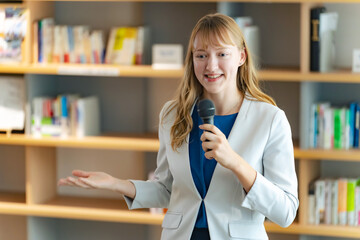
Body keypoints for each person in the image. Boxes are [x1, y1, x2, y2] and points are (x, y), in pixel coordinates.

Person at [58, 13, 299, 240]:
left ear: (241, 57)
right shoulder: (173, 114)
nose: (211, 66)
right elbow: (166, 189)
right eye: (201, 55)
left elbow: (286, 212)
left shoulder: (270, 119)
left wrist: (236, 163)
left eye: (222, 54)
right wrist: (115, 183)